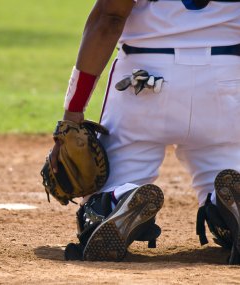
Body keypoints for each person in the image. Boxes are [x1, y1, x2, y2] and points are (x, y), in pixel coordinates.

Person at [50, 0, 240, 263]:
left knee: (100, 203)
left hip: (143, 81)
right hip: (226, 79)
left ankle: (117, 199)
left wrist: (72, 114)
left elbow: (109, 19)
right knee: (227, 176)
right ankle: (224, 206)